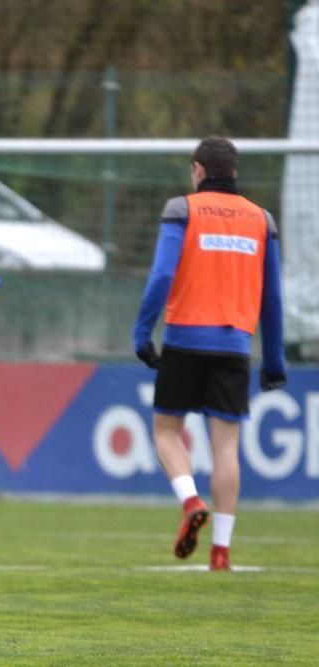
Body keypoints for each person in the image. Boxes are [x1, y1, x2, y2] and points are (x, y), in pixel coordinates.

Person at [132, 135, 286, 571]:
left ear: (198, 170)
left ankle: (190, 500)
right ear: (233, 172)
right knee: (226, 448)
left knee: (165, 432)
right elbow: (272, 298)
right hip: (236, 343)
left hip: (184, 338)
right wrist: (273, 360)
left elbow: (162, 274)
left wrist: (143, 333)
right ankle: (221, 551)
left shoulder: (182, 209)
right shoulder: (262, 220)